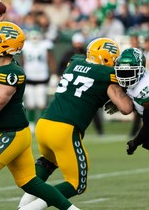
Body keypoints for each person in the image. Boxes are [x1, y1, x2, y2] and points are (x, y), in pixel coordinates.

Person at [0, 13, 80, 210]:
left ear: (5, 46)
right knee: (29, 181)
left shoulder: (10, 73)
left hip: (11, 134)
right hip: (13, 131)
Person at [18, 37, 133, 210]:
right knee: (77, 183)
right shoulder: (105, 75)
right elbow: (125, 108)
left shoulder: (74, 62)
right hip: (64, 130)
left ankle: (24, 203)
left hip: (45, 124)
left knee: (49, 161)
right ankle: (29, 208)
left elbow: (86, 74)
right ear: (106, 58)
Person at [58, 32, 104, 136]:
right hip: (72, 86)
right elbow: (60, 68)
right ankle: (69, 129)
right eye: (77, 43)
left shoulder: (87, 54)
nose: (78, 45)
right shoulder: (69, 54)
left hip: (87, 85)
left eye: (80, 43)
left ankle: (99, 130)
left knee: (92, 108)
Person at [114, 47, 149, 154]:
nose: (125, 77)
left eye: (129, 72)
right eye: (122, 73)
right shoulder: (133, 85)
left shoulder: (145, 87)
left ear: (141, 70)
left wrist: (135, 142)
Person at [21, 28, 55, 132]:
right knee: (30, 103)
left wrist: (53, 74)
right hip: (29, 77)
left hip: (42, 77)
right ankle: (31, 123)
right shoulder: (25, 46)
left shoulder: (45, 45)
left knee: (41, 103)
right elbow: (22, 61)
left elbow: (50, 60)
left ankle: (40, 123)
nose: (35, 38)